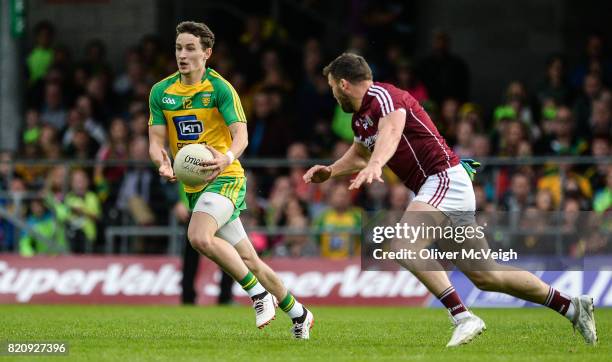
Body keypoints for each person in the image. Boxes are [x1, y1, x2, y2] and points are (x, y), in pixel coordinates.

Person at [304, 53, 597, 347]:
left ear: (343, 84)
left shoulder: (384, 96)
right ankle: (573, 307)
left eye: (331, 87)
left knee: (404, 244)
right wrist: (330, 171)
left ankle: (463, 316)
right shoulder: (359, 119)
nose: (332, 94)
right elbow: (360, 154)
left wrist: (377, 164)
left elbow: (391, 131)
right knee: (487, 274)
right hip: (441, 186)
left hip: (443, 178)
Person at [148, 21, 313, 338]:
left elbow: (241, 135)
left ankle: (258, 295)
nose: (183, 54)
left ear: (206, 53)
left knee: (198, 237)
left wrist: (227, 157)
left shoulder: (220, 88)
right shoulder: (160, 91)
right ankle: (298, 313)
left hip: (225, 177)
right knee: (250, 260)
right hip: (193, 185)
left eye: (190, 48)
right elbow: (156, 141)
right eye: (179, 48)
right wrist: (162, 162)